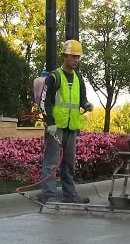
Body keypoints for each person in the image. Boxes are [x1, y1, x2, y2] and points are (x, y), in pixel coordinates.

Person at [36, 40, 94, 204]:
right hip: (56, 127)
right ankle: (49, 195)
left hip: (72, 126)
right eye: (73, 56)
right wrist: (50, 122)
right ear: (64, 56)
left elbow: (82, 98)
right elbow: (44, 102)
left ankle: (70, 194)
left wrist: (86, 104)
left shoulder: (78, 78)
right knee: (52, 162)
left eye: (78, 57)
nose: (76, 60)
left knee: (69, 163)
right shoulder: (54, 77)